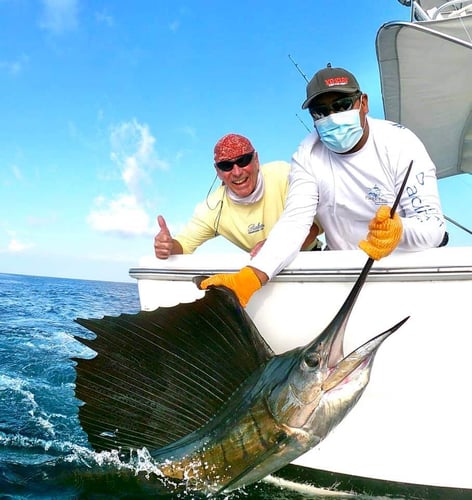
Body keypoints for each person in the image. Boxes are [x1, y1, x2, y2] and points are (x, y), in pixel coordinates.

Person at [200, 65, 447, 307]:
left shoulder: (401, 143)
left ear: (364, 103)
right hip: (340, 273)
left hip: (404, 271)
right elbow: (295, 223)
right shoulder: (307, 154)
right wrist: (251, 276)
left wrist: (400, 230)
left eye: (342, 106)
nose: (332, 117)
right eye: (320, 112)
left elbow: (434, 229)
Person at [154, 133, 322, 259]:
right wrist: (167, 246)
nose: (236, 172)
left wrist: (275, 247)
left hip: (309, 260)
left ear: (256, 159)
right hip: (263, 273)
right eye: (226, 166)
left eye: (243, 161)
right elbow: (183, 245)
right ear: (218, 172)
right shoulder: (212, 206)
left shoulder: (285, 174)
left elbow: (315, 226)